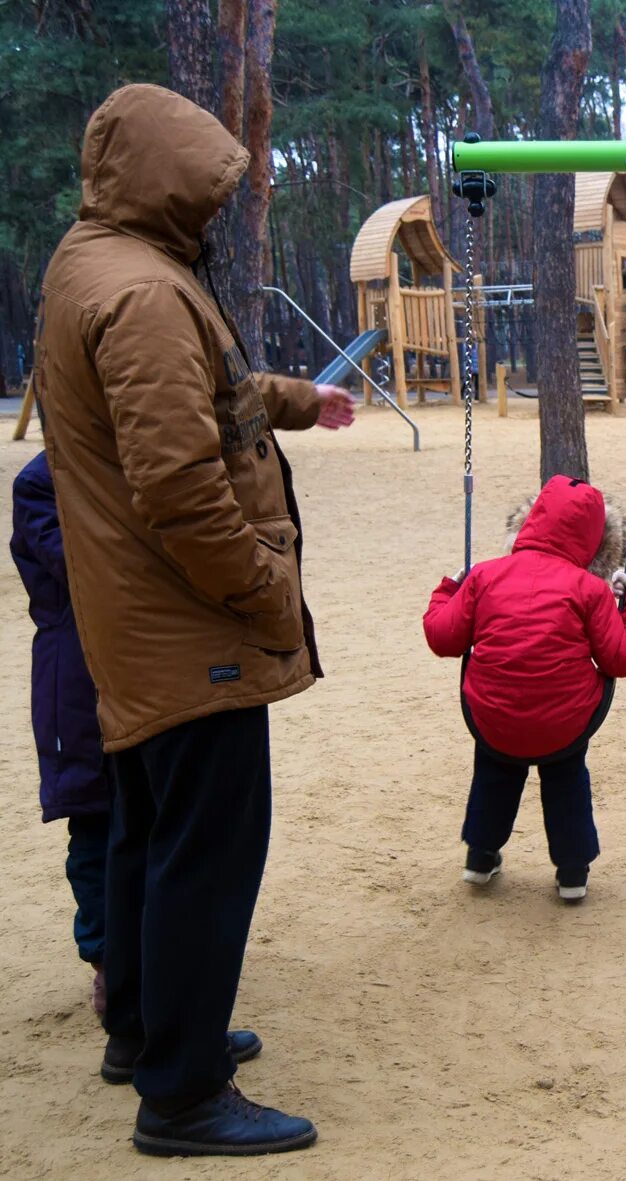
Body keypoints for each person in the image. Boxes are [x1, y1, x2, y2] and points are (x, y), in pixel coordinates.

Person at [34, 83, 358, 1156]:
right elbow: (179, 487)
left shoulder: (100, 264)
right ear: (167, 182)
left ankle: (144, 1028)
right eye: (209, 192)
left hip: (139, 629)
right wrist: (264, 589)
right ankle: (183, 1089)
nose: (218, 213)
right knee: (205, 855)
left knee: (146, 838)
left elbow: (208, 396)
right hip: (189, 629)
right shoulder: (143, 293)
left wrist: (304, 401)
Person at [423, 476, 626, 902]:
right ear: (595, 540)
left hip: (492, 716)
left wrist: (449, 589)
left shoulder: (486, 576)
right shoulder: (590, 589)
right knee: (566, 774)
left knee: (495, 767)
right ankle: (572, 871)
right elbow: (619, 659)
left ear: (531, 520)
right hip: (564, 723)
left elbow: (442, 638)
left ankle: (480, 856)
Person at [11, 450, 108, 1019]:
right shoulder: (42, 482)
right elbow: (82, 566)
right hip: (76, 684)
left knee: (158, 825)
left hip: (146, 676)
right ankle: (107, 965)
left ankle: (160, 964)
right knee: (96, 826)